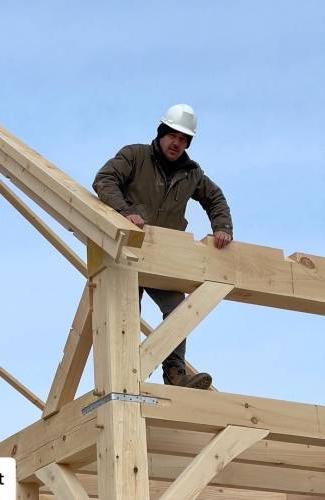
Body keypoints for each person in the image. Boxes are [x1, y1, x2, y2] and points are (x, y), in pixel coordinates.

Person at [92, 104, 233, 390]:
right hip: (127, 251)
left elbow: (214, 198)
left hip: (162, 256)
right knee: (126, 312)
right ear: (161, 134)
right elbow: (104, 180)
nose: (176, 143)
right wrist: (124, 211)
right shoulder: (135, 156)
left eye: (183, 140)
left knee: (179, 310)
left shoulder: (192, 173)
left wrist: (222, 227)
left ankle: (175, 374)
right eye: (172, 136)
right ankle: (126, 376)